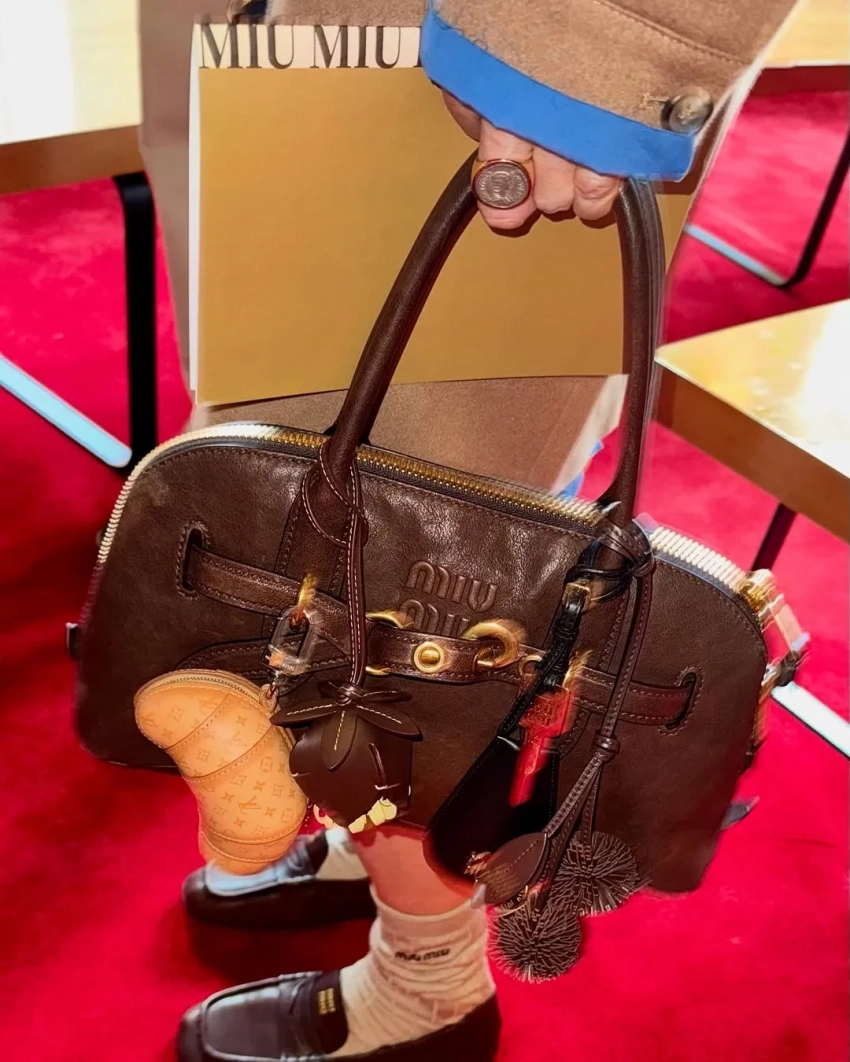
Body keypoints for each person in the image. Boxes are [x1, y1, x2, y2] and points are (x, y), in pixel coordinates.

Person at [139, 1, 799, 1059]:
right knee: (304, 509)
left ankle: (430, 979)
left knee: (418, 574)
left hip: (513, 62)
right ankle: (362, 819)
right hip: (300, 56)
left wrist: (610, 40)